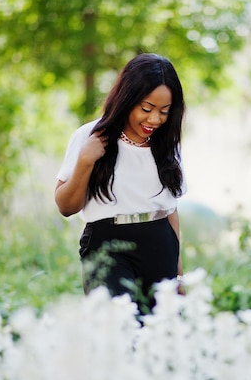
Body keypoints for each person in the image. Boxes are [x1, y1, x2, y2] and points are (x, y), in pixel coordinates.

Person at [54, 53, 186, 312]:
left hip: (160, 244)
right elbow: (65, 206)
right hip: (108, 245)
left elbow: (171, 210)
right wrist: (84, 162)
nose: (155, 120)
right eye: (146, 109)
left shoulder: (168, 145)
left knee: (157, 334)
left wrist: (179, 274)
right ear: (127, 99)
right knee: (116, 330)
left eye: (164, 112)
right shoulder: (89, 136)